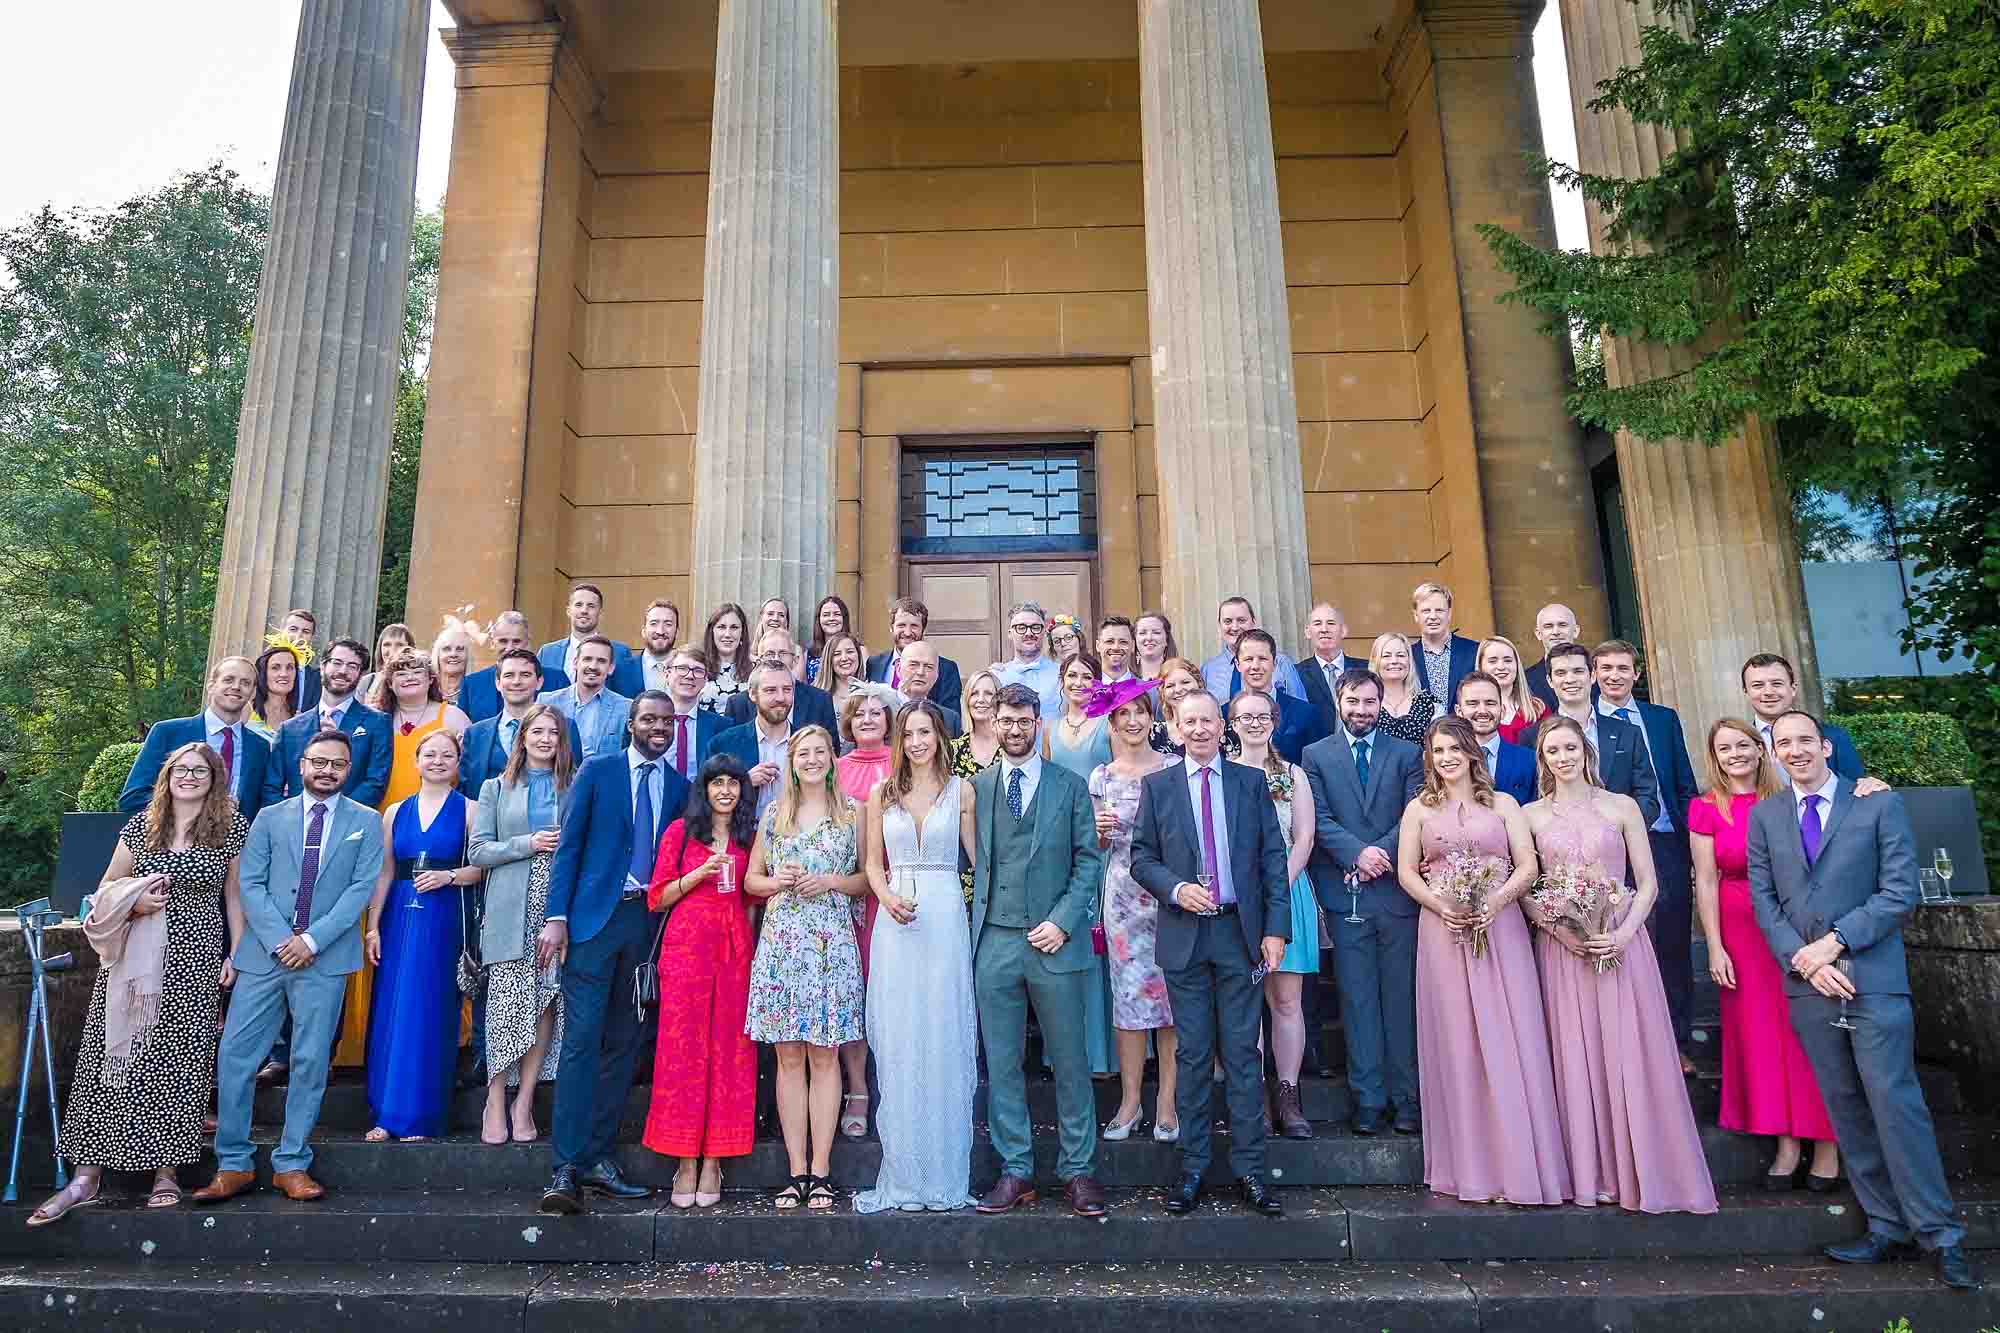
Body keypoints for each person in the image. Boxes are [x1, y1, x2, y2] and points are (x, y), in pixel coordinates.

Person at [1748, 710, 1972, 1288]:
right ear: (1775, 754)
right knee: (1845, 1107)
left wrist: (1833, 943)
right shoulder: (1766, 816)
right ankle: (1885, 1226)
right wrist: (1804, 959)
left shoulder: (1876, 803)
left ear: (1826, 746)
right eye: (1784, 744)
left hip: (1872, 978)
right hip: (1809, 985)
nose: (1795, 751)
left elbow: (1898, 892)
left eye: (1805, 740)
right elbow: (1764, 900)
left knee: (1897, 1106)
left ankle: (1940, 1235)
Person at [29, 744, 249, 1225]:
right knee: (111, 1058)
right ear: (167, 777)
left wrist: (236, 953)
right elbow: (105, 886)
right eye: (180, 770)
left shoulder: (229, 830)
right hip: (132, 960)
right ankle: (86, 1176)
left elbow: (235, 896)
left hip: (195, 955)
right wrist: (135, 903)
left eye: (199, 771)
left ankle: (165, 1173)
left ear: (214, 780)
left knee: (177, 1063)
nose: (188, 777)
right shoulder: (140, 827)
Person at [1521, 716, 1716, 1215]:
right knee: (1574, 1056)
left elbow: (1648, 882)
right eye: (1552, 751)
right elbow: (1526, 889)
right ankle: (1589, 1174)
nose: (1562, 757)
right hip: (1564, 950)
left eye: (1569, 748)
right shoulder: (1530, 816)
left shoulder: (1622, 806)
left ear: (1586, 751)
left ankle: (1643, 1170)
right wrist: (1562, 932)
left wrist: (1625, 933)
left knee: (1628, 1052)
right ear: (1542, 760)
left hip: (1622, 944)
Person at [194, 731, 386, 1205]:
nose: (327, 771)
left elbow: (360, 890)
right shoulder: (268, 817)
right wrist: (284, 940)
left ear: (349, 769)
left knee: (309, 1060)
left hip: (324, 958)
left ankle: (292, 1162)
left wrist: (312, 940)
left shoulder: (368, 821)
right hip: (264, 955)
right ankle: (233, 1162)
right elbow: (249, 884)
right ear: (301, 765)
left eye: (337, 764)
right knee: (236, 1058)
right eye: (318, 761)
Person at [1396, 717, 1569, 1205]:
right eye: (1437, 750)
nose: (1446, 757)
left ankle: (1521, 1164)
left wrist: (1496, 900)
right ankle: (1470, 1167)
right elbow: (1407, 871)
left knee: (1510, 1035)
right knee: (1458, 1043)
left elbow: (1528, 865)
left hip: (1502, 926)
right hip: (1443, 930)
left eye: (1454, 748)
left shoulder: (1505, 804)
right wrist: (1441, 903)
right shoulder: (1418, 810)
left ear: (1472, 752)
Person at [1130, 690, 1289, 1216]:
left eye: (1208, 720)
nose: (1199, 729)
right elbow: (1141, 859)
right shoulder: (1157, 787)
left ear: (1223, 727)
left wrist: (1275, 929)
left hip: (1239, 933)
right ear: (1174, 727)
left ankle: (1252, 1171)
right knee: (1193, 1056)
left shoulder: (1249, 782)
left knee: (1243, 1055)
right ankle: (1193, 1168)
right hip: (1185, 935)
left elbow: (1272, 857)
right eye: (1188, 720)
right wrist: (1175, 889)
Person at [536, 691, 690, 1214]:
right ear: (631, 723)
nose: (659, 727)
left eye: (667, 721)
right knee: (579, 1042)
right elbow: (570, 847)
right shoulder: (598, 772)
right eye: (649, 718)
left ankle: (599, 1159)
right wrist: (556, 918)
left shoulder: (680, 788)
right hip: (592, 922)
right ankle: (565, 1166)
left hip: (646, 928)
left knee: (623, 1044)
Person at [969, 684, 1108, 1218]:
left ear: (1038, 724)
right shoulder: (975, 790)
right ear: (994, 723)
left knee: (1070, 1061)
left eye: (1024, 720)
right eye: (1006, 720)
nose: (1014, 729)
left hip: (1055, 941)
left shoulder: (1071, 787)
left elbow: (1088, 863)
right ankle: (1016, 1170)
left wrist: (1063, 921)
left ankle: (1078, 1171)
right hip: (995, 942)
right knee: (1002, 1063)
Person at [1690, 717, 1838, 1189]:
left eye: (1743, 745)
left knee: (1805, 1033)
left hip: (1793, 926)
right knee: (1759, 1037)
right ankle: (1785, 1141)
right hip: (1738, 930)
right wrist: (1714, 946)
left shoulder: (1788, 799)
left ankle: (1825, 1141)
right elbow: (1706, 881)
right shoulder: (1705, 808)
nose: (1735, 754)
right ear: (1714, 757)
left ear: (1761, 749)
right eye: (1724, 748)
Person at [855, 701, 981, 1212]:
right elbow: (870, 863)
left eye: (925, 732)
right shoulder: (881, 792)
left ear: (940, 736)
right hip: (896, 919)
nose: (917, 742)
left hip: (946, 911)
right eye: (908, 734)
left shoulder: (963, 791)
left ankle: (946, 1173)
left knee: (944, 1032)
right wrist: (885, 898)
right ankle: (905, 1173)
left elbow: (980, 859)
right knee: (901, 1036)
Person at [744, 726, 868, 1212]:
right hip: (781, 947)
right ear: (792, 761)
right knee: (788, 1057)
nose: (812, 760)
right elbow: (752, 879)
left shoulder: (852, 812)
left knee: (824, 1055)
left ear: (832, 758)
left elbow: (867, 879)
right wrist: (778, 881)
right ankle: (796, 1169)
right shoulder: (776, 812)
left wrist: (831, 881)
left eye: (820, 752)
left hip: (830, 947)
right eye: (803, 753)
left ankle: (822, 1170)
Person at [1300, 668, 1425, 1135]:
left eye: (1370, 703)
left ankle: (1406, 1100)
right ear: (1339, 702)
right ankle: (1368, 1099)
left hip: (1396, 892)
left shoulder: (1409, 754)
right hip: (1346, 892)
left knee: (1400, 1000)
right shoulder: (1315, 756)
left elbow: (1415, 809)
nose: (1361, 710)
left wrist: (1381, 853)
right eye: (1353, 702)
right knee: (1356, 1001)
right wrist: (1356, 852)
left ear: (1381, 705)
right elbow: (1319, 816)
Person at [643, 754, 758, 1208]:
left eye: (733, 783)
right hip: (686, 950)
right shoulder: (680, 833)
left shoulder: (750, 836)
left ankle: (715, 1158)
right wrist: (699, 873)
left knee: (730, 1053)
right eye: (717, 783)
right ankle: (684, 1158)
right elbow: (657, 897)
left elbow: (752, 900)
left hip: (734, 951)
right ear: (704, 789)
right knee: (682, 1052)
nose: (725, 791)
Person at [362, 729, 481, 1142]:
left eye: (446, 755)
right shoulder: (395, 812)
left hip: (444, 915)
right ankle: (385, 1113)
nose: (436, 761)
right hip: (398, 915)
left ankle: (421, 1117)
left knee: (431, 1010)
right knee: (392, 1009)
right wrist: (373, 925)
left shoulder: (471, 810)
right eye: (429, 754)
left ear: (457, 763)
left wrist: (449, 876)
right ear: (416, 762)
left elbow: (483, 867)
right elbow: (384, 872)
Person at [469, 703, 577, 1145]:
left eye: (554, 732)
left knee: (547, 1001)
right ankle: (495, 1097)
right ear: (523, 737)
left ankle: (525, 1100)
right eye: (538, 731)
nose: (546, 739)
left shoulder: (573, 786)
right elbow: (477, 852)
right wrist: (526, 843)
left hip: (556, 905)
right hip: (510, 905)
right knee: (505, 1007)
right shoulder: (497, 786)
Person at [1593, 640, 1702, 1059]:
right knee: (1627, 937)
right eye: (1606, 668)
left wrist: (1692, 846)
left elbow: (1684, 784)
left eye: (1623, 668)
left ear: (1636, 674)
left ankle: (1678, 1042)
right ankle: (1634, 1042)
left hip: (1665, 840)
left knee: (1673, 938)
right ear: (1594, 674)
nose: (1614, 675)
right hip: (1615, 848)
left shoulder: (1662, 719)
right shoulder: (1588, 725)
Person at [1087, 680, 1178, 1143]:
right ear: (1113, 722)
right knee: (1128, 1000)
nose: (1134, 721)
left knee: (1172, 1000)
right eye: (1125, 714)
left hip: (1168, 896)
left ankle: (1167, 1101)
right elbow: (1098, 845)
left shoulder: (1174, 768)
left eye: (1142, 712)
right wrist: (1099, 830)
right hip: (1123, 896)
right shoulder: (1101, 777)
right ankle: (1129, 1101)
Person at [1228, 688, 1320, 1139]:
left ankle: (1288, 1094)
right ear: (1232, 722)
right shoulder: (1222, 773)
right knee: (1246, 1002)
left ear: (1275, 720)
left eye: (1262, 716)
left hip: (1287, 890)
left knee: (1286, 1000)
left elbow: (1303, 838)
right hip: (1238, 900)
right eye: (1245, 716)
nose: (1254, 723)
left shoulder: (1293, 774)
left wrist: (1275, 884)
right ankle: (1255, 1096)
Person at [1042, 650, 1117, 1081]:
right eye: (1071, 675)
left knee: (1102, 944)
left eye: (1086, 676)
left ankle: (1105, 1053)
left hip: (1103, 842)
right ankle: (1071, 1053)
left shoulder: (1106, 725)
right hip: (1065, 841)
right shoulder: (1050, 730)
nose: (1078, 682)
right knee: (1072, 940)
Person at [833, 682, 898, 1134]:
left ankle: (899, 1087)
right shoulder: (834, 769)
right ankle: (858, 1089)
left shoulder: (905, 762)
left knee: (895, 993)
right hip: (848, 896)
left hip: (897, 890)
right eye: (860, 714)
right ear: (849, 724)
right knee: (852, 994)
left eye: (877, 712)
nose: (869, 719)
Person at [119, 656, 273, 822]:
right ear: (211, 685)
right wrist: (197, 808)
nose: (236, 687)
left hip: (238, 844)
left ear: (253, 692)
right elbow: (133, 797)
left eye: (245, 682)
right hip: (175, 841)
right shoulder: (168, 733)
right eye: (228, 679)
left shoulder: (260, 746)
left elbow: (261, 805)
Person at [264, 638, 393, 808]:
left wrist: (336, 817)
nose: (343, 671)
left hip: (348, 826)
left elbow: (376, 783)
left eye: (352, 666)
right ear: (323, 666)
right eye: (337, 663)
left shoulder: (378, 723)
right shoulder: (289, 729)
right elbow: (271, 787)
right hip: (295, 828)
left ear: (361, 675)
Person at [1543, 642, 1662, 826]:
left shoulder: (1627, 733)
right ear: (1550, 681)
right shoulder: (1534, 737)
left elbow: (1647, 796)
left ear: (1592, 675)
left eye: (1578, 671)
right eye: (1560, 673)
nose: (1570, 679)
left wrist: (1622, 833)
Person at [460, 649, 584, 798]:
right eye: (509, 675)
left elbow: (575, 785)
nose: (517, 681)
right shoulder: (475, 734)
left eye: (525, 675)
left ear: (539, 682)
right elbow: (465, 791)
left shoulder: (565, 727)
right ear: (498, 683)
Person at [1741, 653, 1872, 782]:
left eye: (1777, 684)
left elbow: (1855, 792)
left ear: (1793, 689)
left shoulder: (1834, 737)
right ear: (1746, 692)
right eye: (1758, 685)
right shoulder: (1736, 744)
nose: (1768, 692)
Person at [708, 657, 802, 819]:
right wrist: (744, 782)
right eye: (771, 690)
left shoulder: (806, 744)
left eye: (787, 689)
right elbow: (703, 799)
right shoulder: (723, 744)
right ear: (752, 694)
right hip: (739, 838)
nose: (780, 698)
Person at [1233, 629, 1325, 763]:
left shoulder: (1305, 713)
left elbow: (1316, 767)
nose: (1255, 666)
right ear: (1237, 664)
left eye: (1263, 659)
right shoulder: (1225, 714)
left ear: (1274, 664)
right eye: (1248, 659)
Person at [460, 612, 568, 723]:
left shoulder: (557, 680)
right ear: (492, 643)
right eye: (503, 641)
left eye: (516, 641)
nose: (509, 648)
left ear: (527, 642)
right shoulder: (472, 684)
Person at [724, 629, 839, 733]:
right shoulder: (738, 705)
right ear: (759, 661)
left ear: (795, 660)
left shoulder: (821, 701)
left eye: (783, 653)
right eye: (769, 654)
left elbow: (831, 751)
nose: (776, 659)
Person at [537, 635, 630, 760]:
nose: (593, 666)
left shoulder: (626, 708)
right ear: (575, 663)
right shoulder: (547, 702)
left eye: (601, 661)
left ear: (611, 668)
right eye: (587, 659)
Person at [866, 595, 963, 714]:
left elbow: (951, 718)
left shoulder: (947, 669)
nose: (907, 633)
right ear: (891, 628)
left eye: (914, 626)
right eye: (901, 625)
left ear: (923, 630)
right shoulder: (874, 664)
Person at [1453, 671, 1537, 807]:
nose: (1482, 711)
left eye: (1490, 703)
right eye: (1473, 703)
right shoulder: (1447, 761)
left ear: (1502, 710)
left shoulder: (1529, 760)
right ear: (1459, 711)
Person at [1201, 595, 1308, 701]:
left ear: (1253, 622)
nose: (1234, 627)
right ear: (1219, 626)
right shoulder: (1208, 670)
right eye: (1227, 621)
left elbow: (1299, 708)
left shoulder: (1280, 662)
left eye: (1241, 620)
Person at [538, 581, 637, 684]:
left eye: (591, 606)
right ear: (568, 611)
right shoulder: (547, 652)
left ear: (600, 613)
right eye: (578, 605)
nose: (584, 610)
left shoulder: (620, 652)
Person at [656, 646, 726, 785]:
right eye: (682, 668)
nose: (689, 676)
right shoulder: (649, 722)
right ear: (667, 674)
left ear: (706, 679)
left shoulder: (721, 726)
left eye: (698, 671)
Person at [1152, 656, 1240, 759]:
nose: (1178, 689)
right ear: (1162, 692)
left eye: (1185, 682)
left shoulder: (1223, 727)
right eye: (1170, 686)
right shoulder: (1154, 733)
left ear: (1199, 683)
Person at [1410, 582, 1480, 707]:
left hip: (1464, 726)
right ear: (1416, 615)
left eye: (1439, 610)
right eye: (1426, 611)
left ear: (1449, 613)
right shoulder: (1407, 656)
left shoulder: (1474, 651)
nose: (1433, 616)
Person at [992, 601, 1063, 717]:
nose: (1029, 633)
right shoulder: (997, 676)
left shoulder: (1062, 675)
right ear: (1010, 633)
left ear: (1044, 632)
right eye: (1021, 627)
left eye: (1035, 627)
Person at [1296, 602, 1353, 738]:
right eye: (1317, 623)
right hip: (1315, 752)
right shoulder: (1296, 674)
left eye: (1331, 623)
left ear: (1343, 630)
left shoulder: (1365, 670)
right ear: (1307, 632)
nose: (1324, 629)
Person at [1370, 632, 1437, 746]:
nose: (1394, 661)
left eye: (1400, 655)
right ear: (1376, 661)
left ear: (1409, 660)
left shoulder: (1430, 703)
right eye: (1386, 656)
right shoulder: (1365, 703)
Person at [1476, 635, 1545, 746]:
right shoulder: (1470, 713)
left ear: (1517, 665)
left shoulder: (1538, 709)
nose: (1501, 667)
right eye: (1493, 661)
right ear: (1481, 666)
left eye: (1508, 660)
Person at [1523, 603, 1579, 716]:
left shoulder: (1595, 674)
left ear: (1575, 631)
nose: (1556, 632)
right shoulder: (1525, 680)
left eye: (1562, 625)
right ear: (1538, 634)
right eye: (1548, 626)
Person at [697, 602, 752, 714]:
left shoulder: (755, 669)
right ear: (712, 631)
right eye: (721, 627)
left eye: (734, 627)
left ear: (742, 632)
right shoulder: (697, 666)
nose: (727, 634)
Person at [897, 639, 960, 737]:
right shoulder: (879, 712)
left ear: (937, 674)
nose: (921, 672)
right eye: (913, 665)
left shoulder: (949, 719)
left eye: (928, 667)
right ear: (898, 669)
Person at [950, 670, 1004, 778]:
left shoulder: (1011, 745)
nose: (980, 700)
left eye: (988, 694)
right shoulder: (952, 750)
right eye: (974, 693)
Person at [624, 598, 682, 697]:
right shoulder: (621, 670)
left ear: (677, 632)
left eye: (668, 624)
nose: (660, 631)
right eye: (654, 623)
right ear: (643, 631)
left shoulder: (688, 671)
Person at [248, 640, 305, 740]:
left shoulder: (301, 719)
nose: (284, 674)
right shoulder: (246, 712)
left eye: (290, 667)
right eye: (275, 668)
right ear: (263, 673)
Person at [277, 609, 324, 711]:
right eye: (293, 629)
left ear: (312, 638)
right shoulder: (262, 665)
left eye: (306, 632)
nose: (299, 636)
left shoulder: (316, 678)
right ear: (282, 631)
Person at [804, 594, 857, 684]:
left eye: (836, 614)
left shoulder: (858, 650)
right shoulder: (808, 654)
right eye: (826, 615)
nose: (831, 618)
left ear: (844, 618)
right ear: (819, 620)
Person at [357, 622, 415, 704]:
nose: (392, 650)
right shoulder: (367, 682)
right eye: (387, 645)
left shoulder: (415, 682)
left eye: (399, 645)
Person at [815, 631, 868, 720]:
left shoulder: (871, 693)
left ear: (858, 655)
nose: (844, 658)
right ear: (829, 660)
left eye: (850, 652)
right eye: (837, 654)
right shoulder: (815, 697)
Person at [431, 624, 475, 709]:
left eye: (460, 649)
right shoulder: (427, 689)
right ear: (437, 655)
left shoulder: (477, 690)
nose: (453, 654)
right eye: (446, 649)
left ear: (468, 656)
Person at [1135, 611, 1179, 681]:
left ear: (1167, 639)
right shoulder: (1124, 678)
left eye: (1156, 632)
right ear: (1135, 640)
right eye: (1142, 633)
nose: (1149, 638)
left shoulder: (1181, 676)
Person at [1096, 615, 1139, 684]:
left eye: (1123, 642)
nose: (1116, 647)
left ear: (1133, 646)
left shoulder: (1149, 691)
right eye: (1109, 641)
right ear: (1098, 646)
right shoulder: (1085, 689)